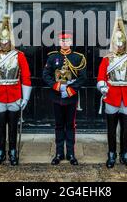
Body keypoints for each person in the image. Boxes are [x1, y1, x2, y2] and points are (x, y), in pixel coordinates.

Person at [0, 15, 32, 166]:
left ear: (11, 41)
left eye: (6, 41)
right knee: (0, 126)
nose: (4, 43)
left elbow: (26, 77)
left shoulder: (19, 56)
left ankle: (12, 152)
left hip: (15, 94)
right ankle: (0, 152)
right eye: (2, 41)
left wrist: (26, 97)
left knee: (12, 127)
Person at [97, 17, 127, 169]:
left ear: (124, 43)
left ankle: (125, 153)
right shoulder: (106, 59)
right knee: (111, 129)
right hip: (111, 97)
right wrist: (102, 87)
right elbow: (101, 78)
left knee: (126, 129)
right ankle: (111, 153)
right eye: (117, 42)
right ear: (113, 43)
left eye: (121, 42)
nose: (119, 45)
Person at [42, 31, 87, 165]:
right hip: (56, 97)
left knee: (71, 125)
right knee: (59, 125)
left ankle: (71, 154)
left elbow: (83, 77)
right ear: (59, 42)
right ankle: (59, 153)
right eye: (62, 41)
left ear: (71, 42)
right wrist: (55, 86)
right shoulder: (52, 57)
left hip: (71, 97)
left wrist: (71, 89)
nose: (65, 43)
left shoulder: (78, 58)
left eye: (67, 41)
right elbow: (46, 75)